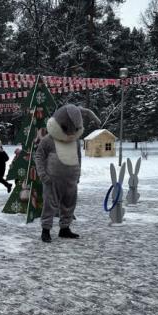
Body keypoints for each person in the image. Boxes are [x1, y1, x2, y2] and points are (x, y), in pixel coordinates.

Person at [34, 104, 100, 243]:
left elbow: (78, 157)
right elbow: (39, 156)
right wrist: (43, 175)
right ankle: (45, 230)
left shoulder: (75, 142)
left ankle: (65, 228)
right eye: (66, 129)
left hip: (71, 180)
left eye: (75, 130)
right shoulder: (48, 140)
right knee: (49, 205)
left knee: (69, 204)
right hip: (52, 180)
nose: (70, 133)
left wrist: (78, 174)